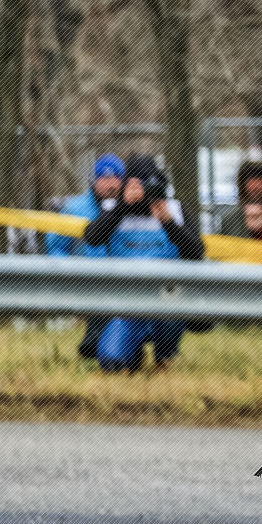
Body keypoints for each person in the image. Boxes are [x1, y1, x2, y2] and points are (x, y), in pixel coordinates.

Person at [81, 154, 206, 372]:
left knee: (173, 313)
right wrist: (123, 206)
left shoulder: (174, 210)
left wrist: (168, 223)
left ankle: (165, 356)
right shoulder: (114, 208)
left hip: (167, 303)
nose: (145, 194)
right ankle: (133, 353)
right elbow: (92, 237)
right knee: (112, 362)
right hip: (126, 305)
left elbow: (197, 252)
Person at [46, 153, 124, 358]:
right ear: (94, 181)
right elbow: (55, 247)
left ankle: (102, 345)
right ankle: (96, 343)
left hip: (122, 278)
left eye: (116, 178)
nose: (111, 184)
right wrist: (70, 272)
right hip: (85, 279)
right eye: (104, 178)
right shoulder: (75, 208)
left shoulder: (131, 209)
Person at [218, 161, 262, 238]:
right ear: (242, 185)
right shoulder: (230, 220)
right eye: (251, 178)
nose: (256, 186)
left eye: (261, 179)